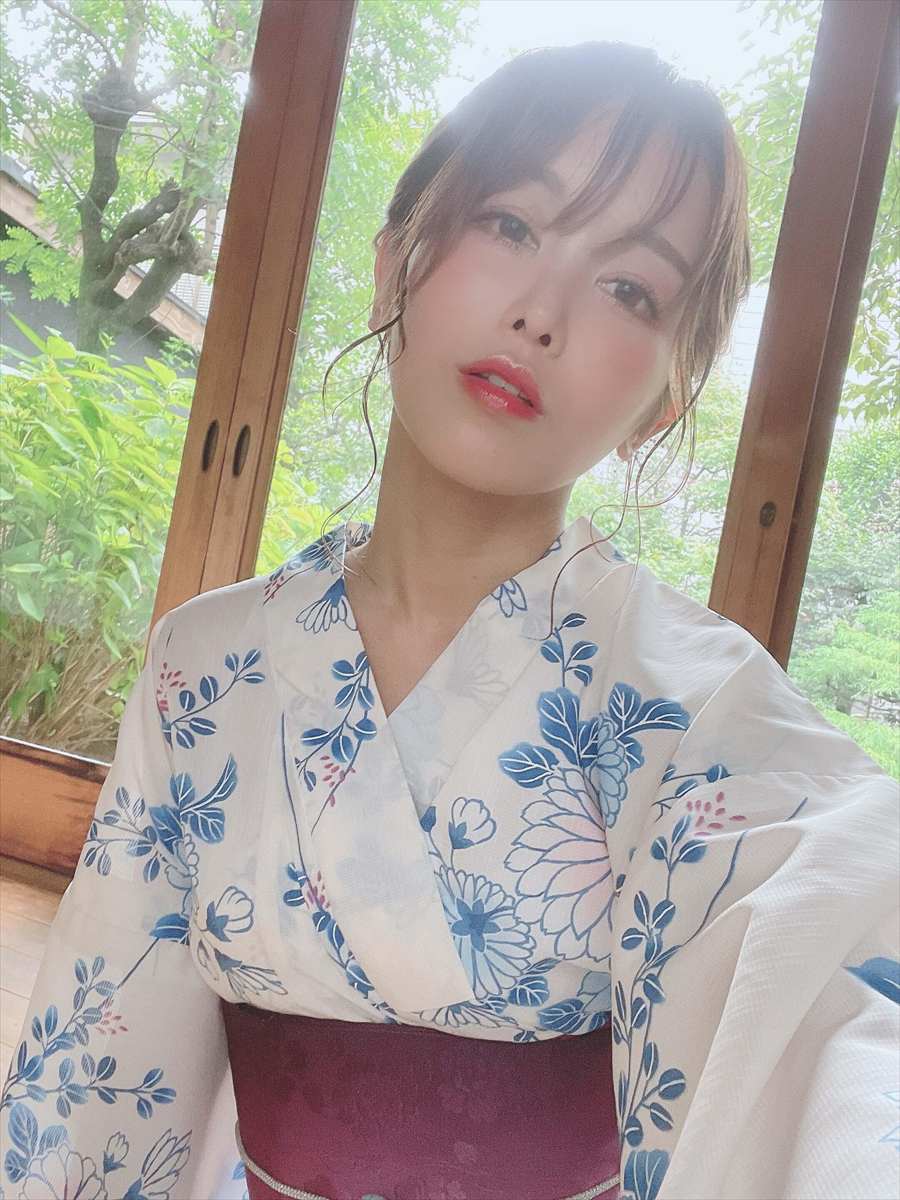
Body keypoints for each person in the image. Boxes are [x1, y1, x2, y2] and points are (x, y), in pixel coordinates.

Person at [2, 39, 898, 1200]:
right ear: (394, 267)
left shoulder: (698, 708)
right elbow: (100, 1089)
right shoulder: (206, 669)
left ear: (664, 397)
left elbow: (841, 985)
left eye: (630, 288)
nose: (541, 313)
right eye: (511, 224)